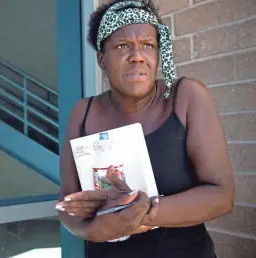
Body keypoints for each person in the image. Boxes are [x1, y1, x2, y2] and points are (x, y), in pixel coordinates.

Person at [55, 0, 235, 257]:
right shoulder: (82, 113)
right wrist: (91, 231)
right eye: (122, 46)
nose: (137, 56)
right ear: (101, 59)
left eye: (148, 45)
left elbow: (222, 195)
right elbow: (68, 202)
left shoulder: (186, 98)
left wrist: (146, 211)